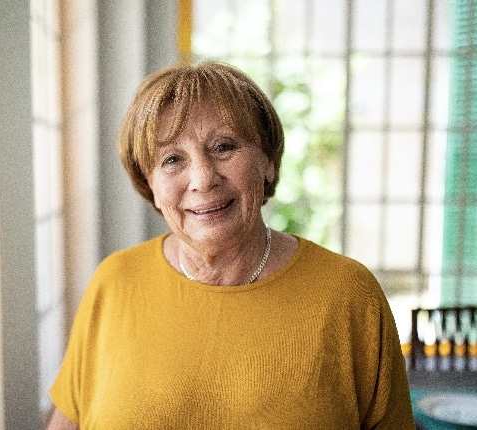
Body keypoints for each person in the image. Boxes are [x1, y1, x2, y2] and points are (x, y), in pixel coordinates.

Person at [47, 61, 415, 429]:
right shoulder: (115, 281)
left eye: (224, 147)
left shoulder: (348, 294)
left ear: (267, 161)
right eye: (172, 159)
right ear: (151, 184)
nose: (203, 179)